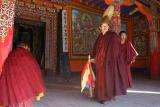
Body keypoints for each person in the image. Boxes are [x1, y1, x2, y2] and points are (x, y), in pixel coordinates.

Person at [91, 15, 129, 104]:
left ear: (108, 27)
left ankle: (106, 97)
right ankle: (100, 96)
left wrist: (108, 59)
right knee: (100, 80)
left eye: (105, 26)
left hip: (108, 63)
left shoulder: (112, 36)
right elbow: (96, 48)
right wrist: (94, 58)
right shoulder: (100, 36)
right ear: (100, 27)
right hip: (99, 63)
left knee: (107, 80)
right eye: (102, 26)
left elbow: (115, 49)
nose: (103, 28)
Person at [0, 42, 45, 107]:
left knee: (15, 101)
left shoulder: (10, 56)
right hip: (25, 86)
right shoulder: (27, 54)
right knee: (26, 101)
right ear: (25, 47)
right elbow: (35, 69)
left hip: (12, 85)